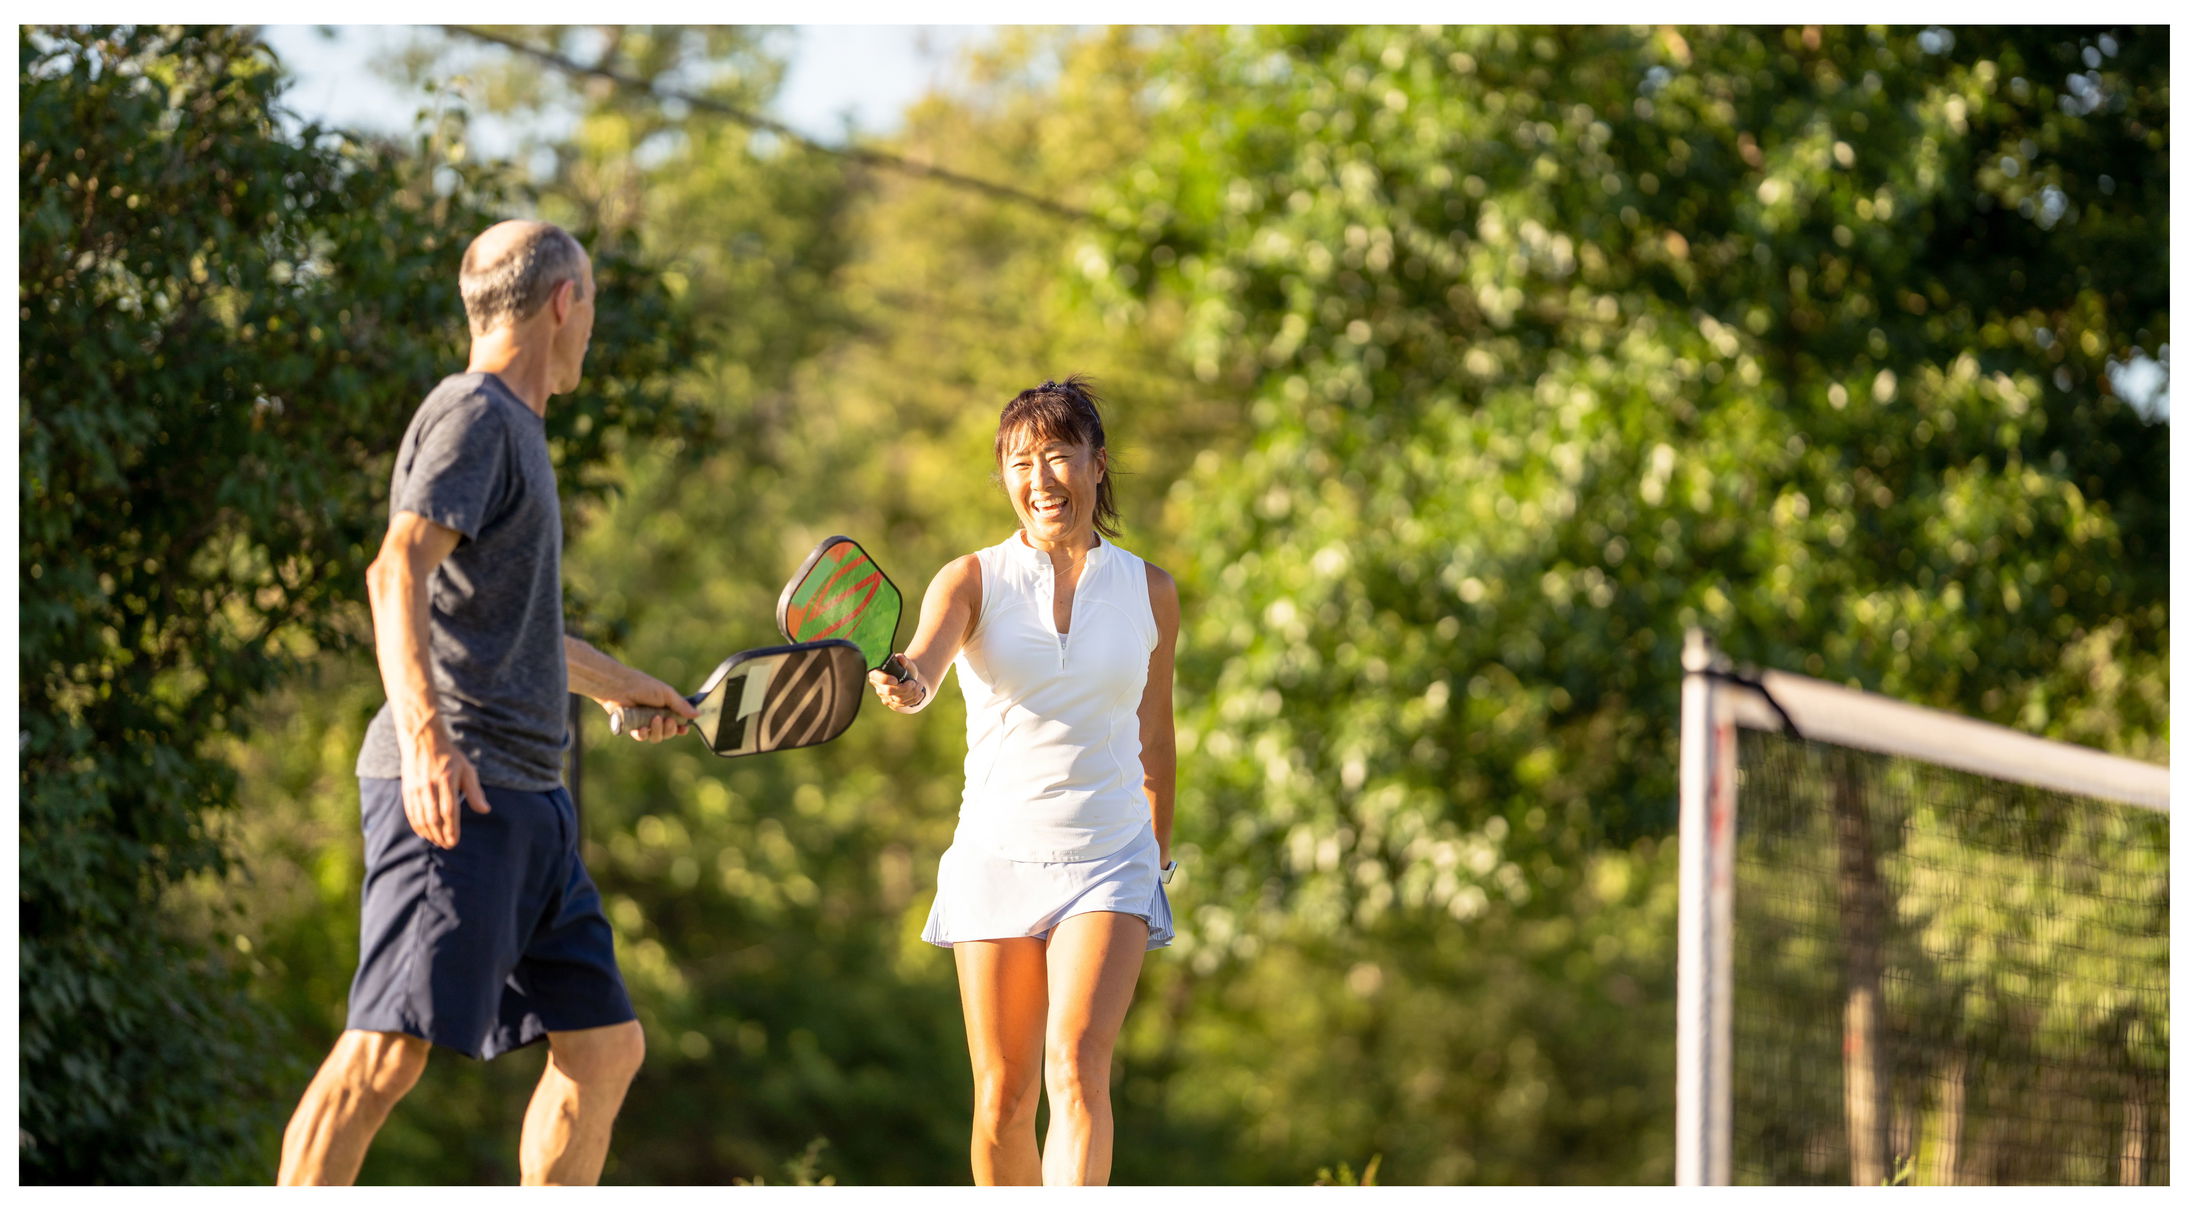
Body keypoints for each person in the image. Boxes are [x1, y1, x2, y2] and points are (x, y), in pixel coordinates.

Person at [278, 219, 700, 1186]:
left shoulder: (516, 432)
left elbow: (511, 628)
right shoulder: (474, 416)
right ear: (564, 303)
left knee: (603, 1048)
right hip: (458, 789)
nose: (590, 323)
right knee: (387, 1049)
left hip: (530, 797)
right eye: (590, 301)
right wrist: (427, 741)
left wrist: (624, 686)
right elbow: (396, 573)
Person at [868, 375, 1179, 1186]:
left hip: (1112, 856)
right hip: (996, 856)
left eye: (1058, 456)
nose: (1040, 478)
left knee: (1076, 1066)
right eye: (1019, 461)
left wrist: (1158, 855)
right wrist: (906, 680)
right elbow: (926, 663)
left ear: (1097, 463)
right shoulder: (970, 578)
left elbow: (1155, 731)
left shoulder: (1150, 589)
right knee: (1002, 1099)